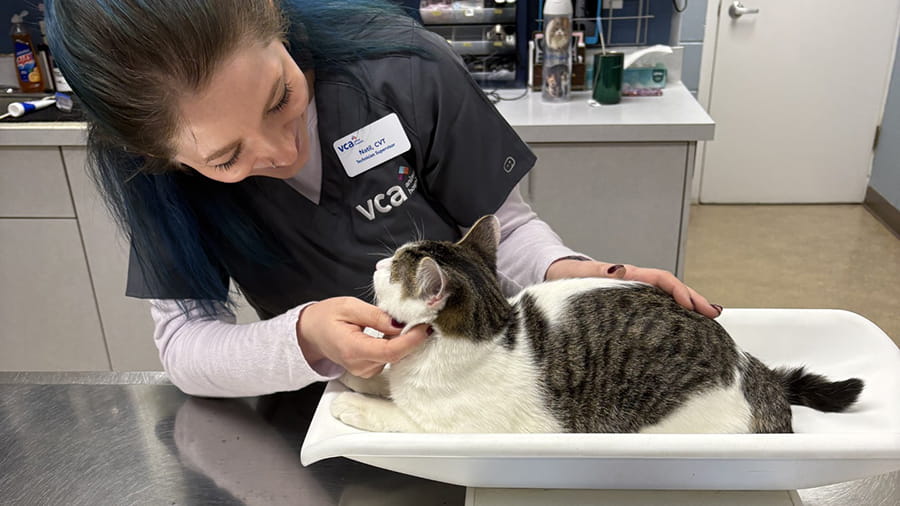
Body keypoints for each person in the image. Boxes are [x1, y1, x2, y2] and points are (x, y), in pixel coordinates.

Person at [46, 0, 721, 399]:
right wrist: (303, 339)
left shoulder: (403, 68)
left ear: (276, 18)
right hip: (336, 409)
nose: (280, 152)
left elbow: (503, 229)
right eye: (225, 157)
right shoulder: (153, 177)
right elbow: (183, 344)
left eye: (281, 97)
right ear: (157, 156)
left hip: (483, 369)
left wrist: (570, 275)